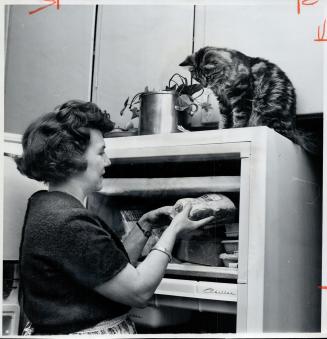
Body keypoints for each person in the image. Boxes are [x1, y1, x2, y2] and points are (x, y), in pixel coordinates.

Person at [15, 100, 214, 335]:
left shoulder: (47, 205)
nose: (108, 161)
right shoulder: (68, 221)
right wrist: (174, 230)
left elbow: (110, 269)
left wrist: (145, 224)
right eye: (101, 152)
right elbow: (139, 290)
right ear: (72, 159)